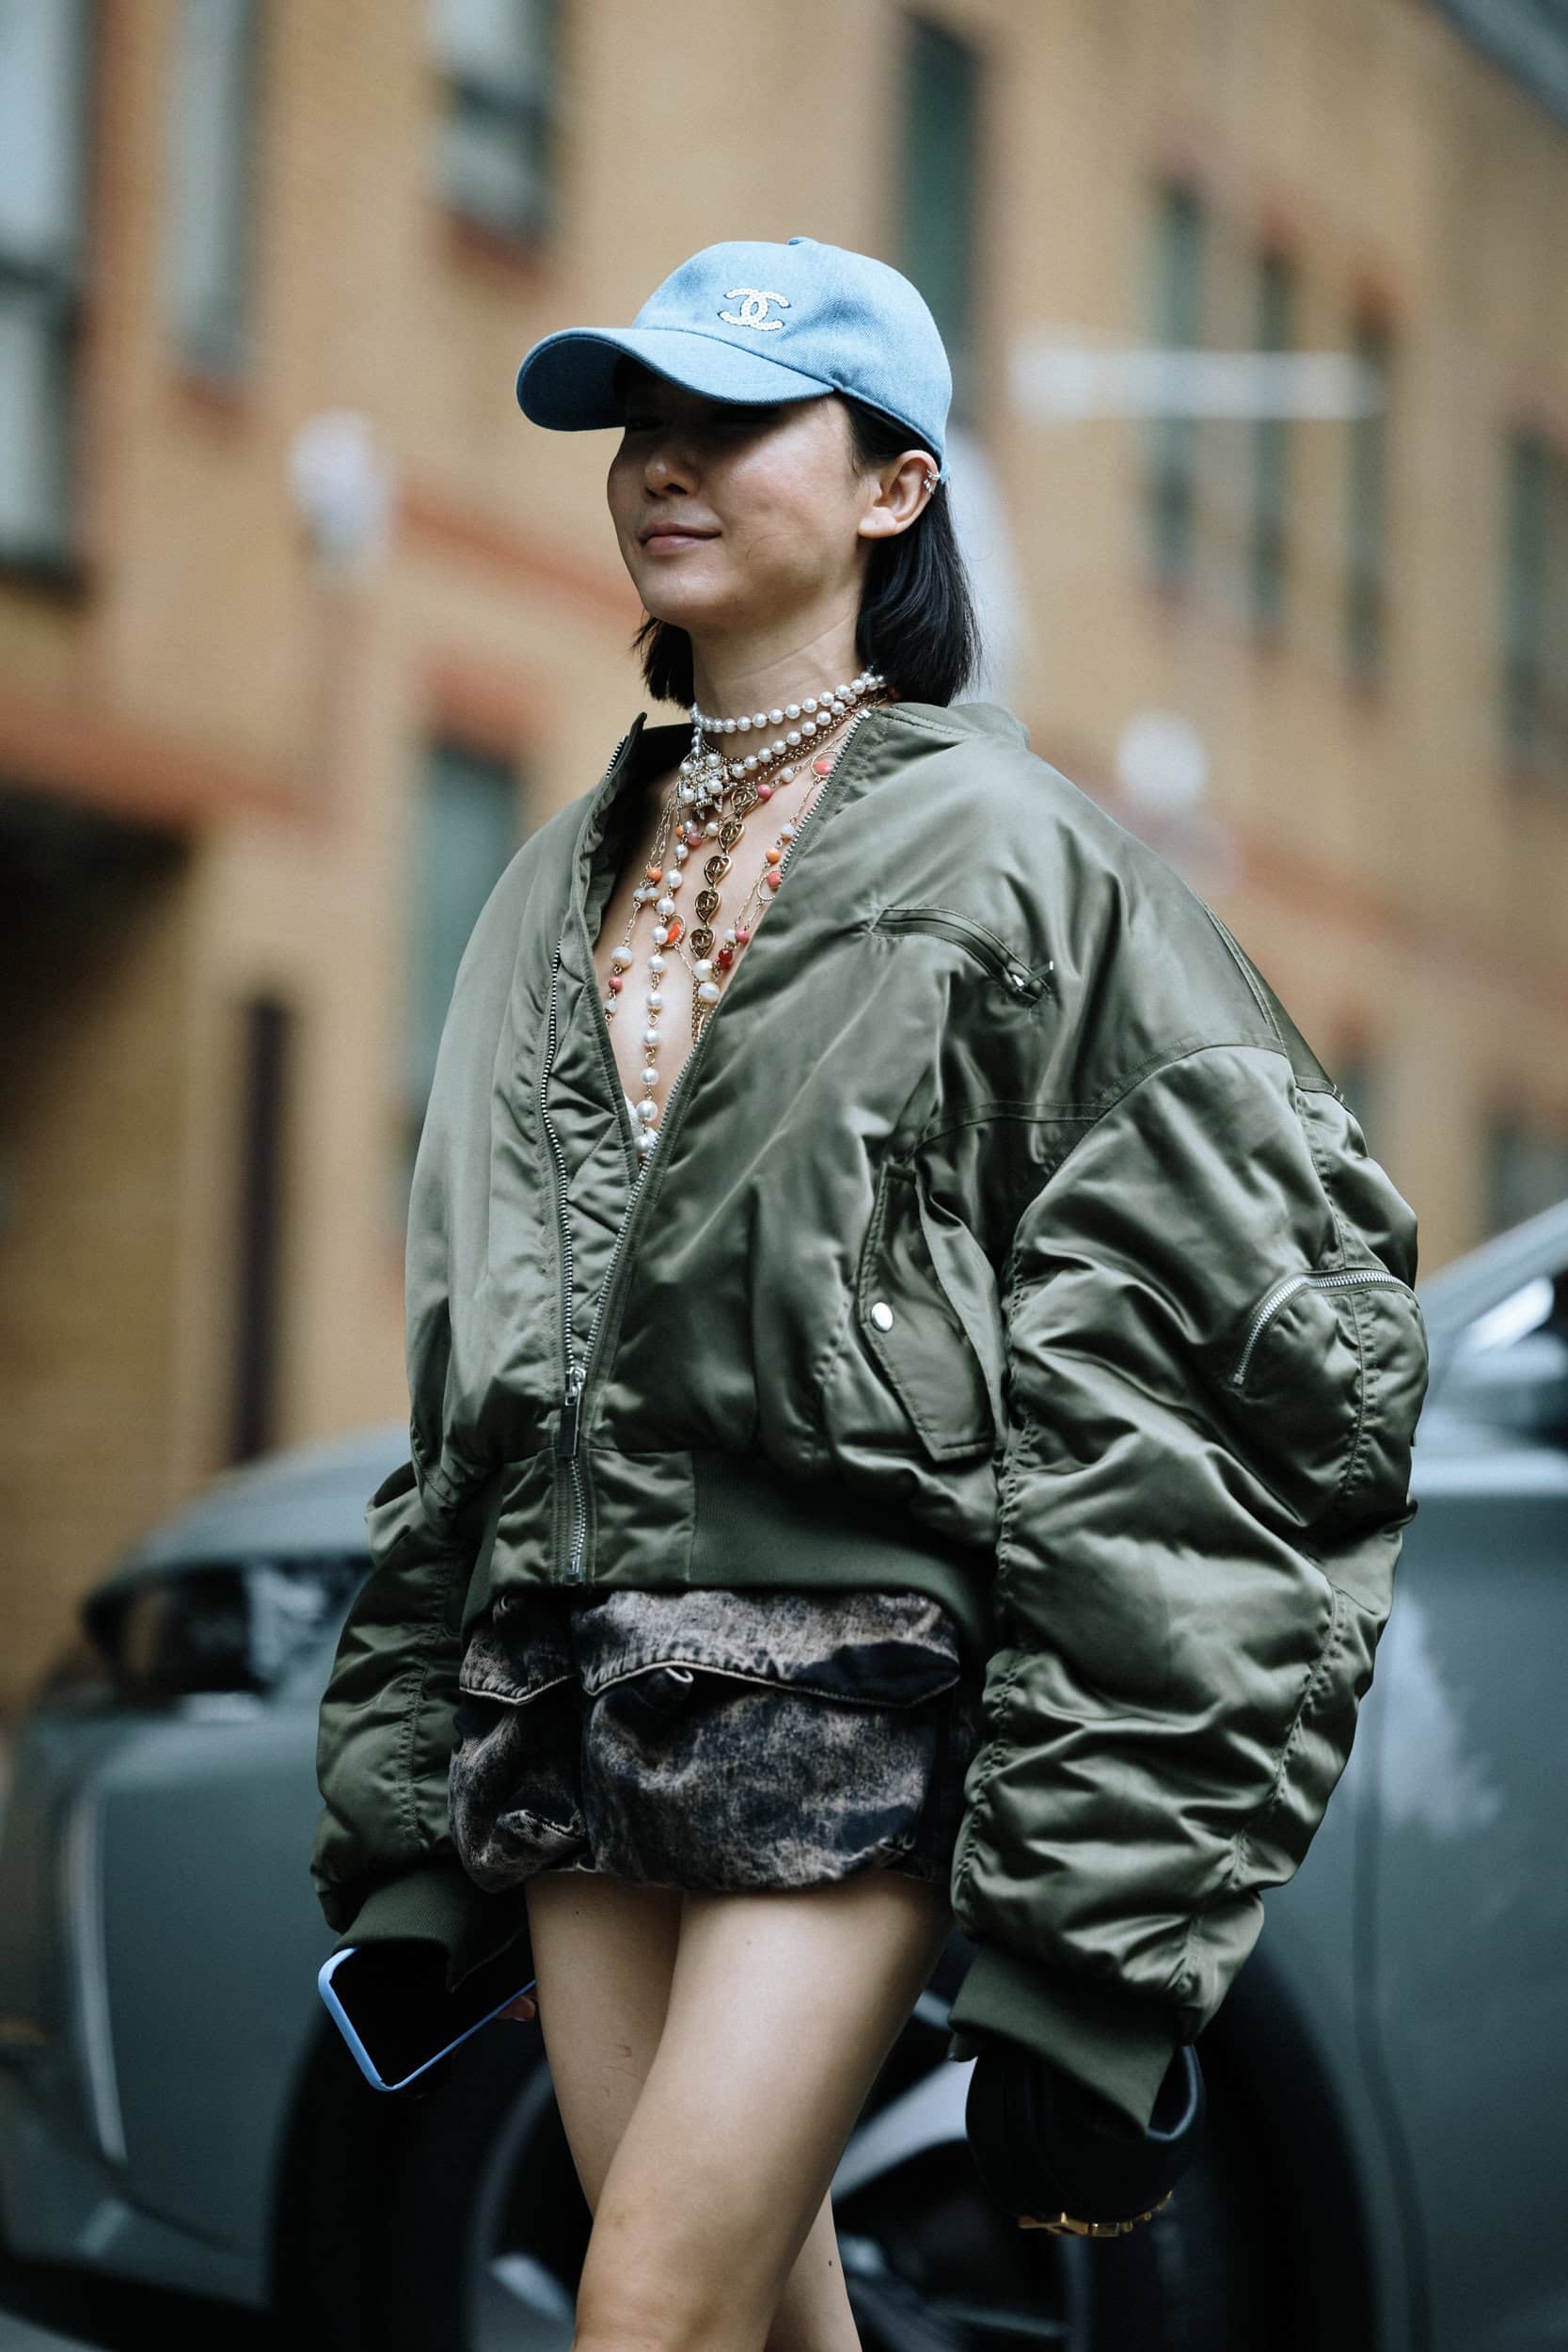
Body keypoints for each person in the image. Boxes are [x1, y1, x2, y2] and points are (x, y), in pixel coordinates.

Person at [311, 236, 1429, 2351]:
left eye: (734, 421)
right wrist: (402, 1784)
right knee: (751, 2316)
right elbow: (478, 1375)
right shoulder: (550, 882)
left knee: (645, 2305)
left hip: (854, 1686)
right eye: (642, 423)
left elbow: (1275, 1321)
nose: (665, 461)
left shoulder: (1017, 857)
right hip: (565, 1680)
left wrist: (1102, 1885)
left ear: (896, 487)